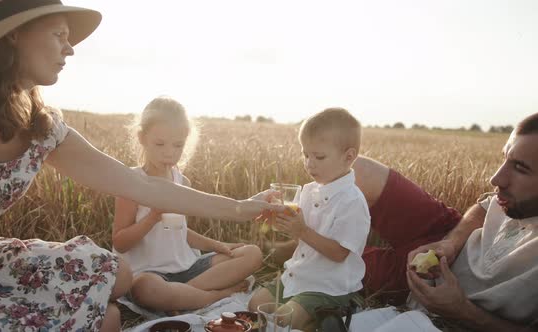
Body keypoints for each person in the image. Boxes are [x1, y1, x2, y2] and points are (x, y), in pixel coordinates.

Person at [0, 1, 281, 331]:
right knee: (106, 318)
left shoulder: (40, 127)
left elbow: (146, 188)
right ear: (13, 34)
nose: (70, 49)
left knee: (115, 285)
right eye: (60, 35)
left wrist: (242, 207)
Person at [272, 113, 538, 331]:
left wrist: (461, 310)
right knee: (351, 171)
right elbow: (485, 205)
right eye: (505, 159)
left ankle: (286, 250)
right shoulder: (508, 197)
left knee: (342, 261)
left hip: (434, 295)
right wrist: (450, 244)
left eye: (521, 168)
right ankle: (287, 248)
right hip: (446, 240)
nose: (496, 178)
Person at [113, 97, 263, 311]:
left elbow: (178, 232)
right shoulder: (132, 184)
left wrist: (217, 245)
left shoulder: (181, 182)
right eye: (160, 144)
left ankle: (185, 295)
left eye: (178, 145)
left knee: (252, 253)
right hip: (149, 273)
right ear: (142, 138)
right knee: (145, 289)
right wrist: (153, 216)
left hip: (187, 267)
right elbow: (120, 243)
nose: (169, 152)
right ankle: (218, 295)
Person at [248, 108, 371, 331]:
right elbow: (300, 238)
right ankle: (311, 317)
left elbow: (339, 254)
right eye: (306, 155)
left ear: (349, 157)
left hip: (328, 287)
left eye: (319, 157)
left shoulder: (352, 202)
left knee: (283, 321)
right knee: (256, 305)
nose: (309, 163)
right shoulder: (307, 191)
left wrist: (302, 231)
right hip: (298, 276)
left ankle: (335, 313)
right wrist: (280, 223)